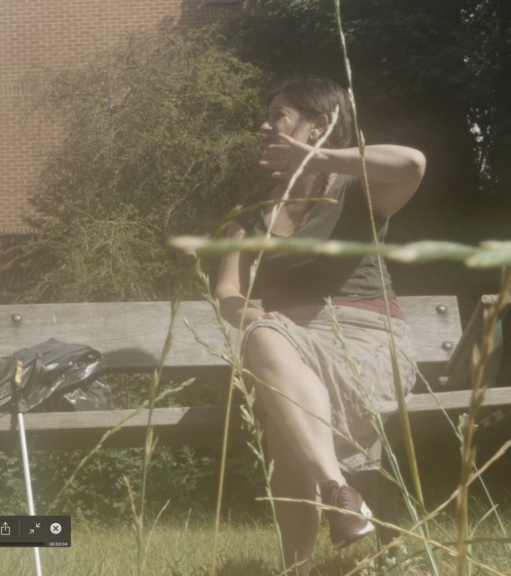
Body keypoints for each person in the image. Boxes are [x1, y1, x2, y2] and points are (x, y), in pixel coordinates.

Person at [214, 77, 426, 575]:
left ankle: (300, 566)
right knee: (264, 340)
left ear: (319, 124)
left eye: (280, 114)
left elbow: (413, 164)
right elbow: (228, 292)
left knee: (282, 421)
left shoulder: (358, 189)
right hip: (286, 343)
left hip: (367, 339)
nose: (265, 125)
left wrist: (321, 159)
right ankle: (338, 490)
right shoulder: (252, 210)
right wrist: (255, 318)